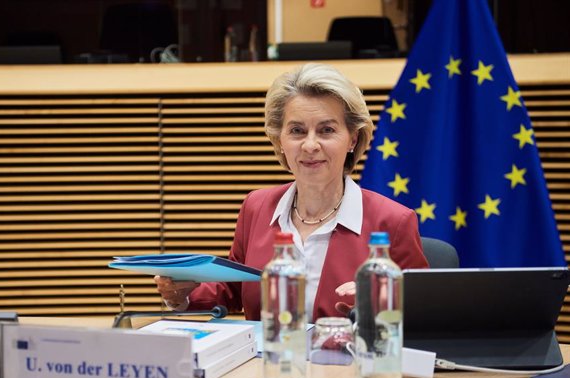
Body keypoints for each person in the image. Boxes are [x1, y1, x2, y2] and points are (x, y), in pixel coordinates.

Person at [155, 63, 428, 322]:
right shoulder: (257, 206)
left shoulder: (394, 221)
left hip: (350, 366)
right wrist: (182, 295)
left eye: (327, 130)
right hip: (269, 366)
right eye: (297, 130)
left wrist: (381, 303)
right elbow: (233, 290)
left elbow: (421, 314)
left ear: (352, 139)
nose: (310, 145)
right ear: (280, 140)